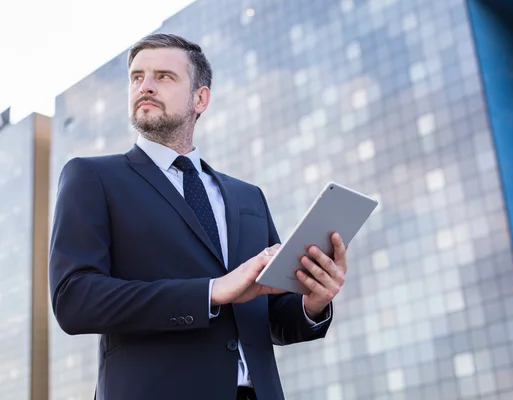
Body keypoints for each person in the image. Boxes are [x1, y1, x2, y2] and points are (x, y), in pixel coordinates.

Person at [48, 33, 349, 400]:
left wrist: (312, 301)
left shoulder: (247, 196)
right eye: (137, 77)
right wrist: (210, 292)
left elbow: (270, 316)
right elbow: (74, 299)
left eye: (164, 76)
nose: (146, 86)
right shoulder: (92, 177)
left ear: (200, 98)